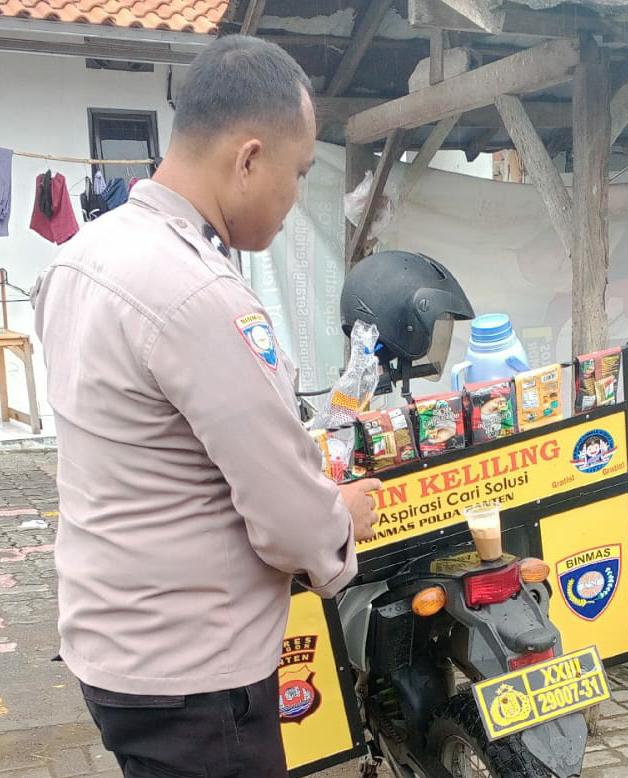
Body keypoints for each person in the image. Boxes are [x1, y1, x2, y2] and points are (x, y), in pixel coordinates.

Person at [32, 35, 379, 777]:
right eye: (298, 173)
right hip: (196, 677)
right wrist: (342, 519)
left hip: (114, 645)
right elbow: (289, 520)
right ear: (248, 159)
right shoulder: (200, 295)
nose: (294, 198)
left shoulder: (80, 258)